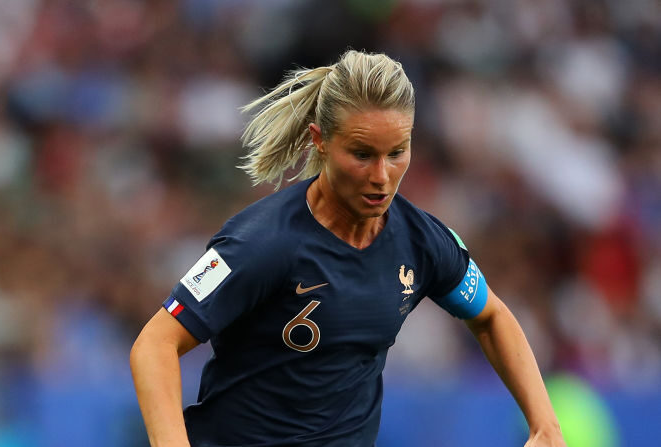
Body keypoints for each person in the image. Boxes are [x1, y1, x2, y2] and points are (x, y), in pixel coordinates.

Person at [130, 50, 566, 447]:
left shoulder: (420, 241)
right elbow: (155, 345)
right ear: (320, 140)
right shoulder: (262, 242)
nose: (381, 175)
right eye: (361, 154)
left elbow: (491, 316)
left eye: (397, 152)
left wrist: (545, 424)